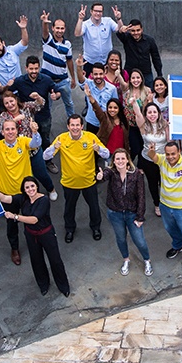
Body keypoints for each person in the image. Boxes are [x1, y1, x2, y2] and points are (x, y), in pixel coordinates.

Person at [0, 177, 71, 296]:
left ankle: (63, 286)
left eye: (32, 186)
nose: (30, 189)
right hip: (31, 235)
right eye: (27, 187)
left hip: (46, 234)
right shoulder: (23, 198)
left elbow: (34, 219)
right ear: (24, 190)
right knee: (36, 261)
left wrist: (14, 216)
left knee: (55, 260)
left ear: (36, 186)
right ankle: (43, 285)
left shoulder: (44, 200)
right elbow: (5, 198)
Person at [0, 117, 42, 265]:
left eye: (13, 129)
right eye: (7, 129)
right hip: (7, 194)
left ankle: (36, 242)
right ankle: (14, 248)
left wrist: (35, 132)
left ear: (17, 131)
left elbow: (36, 143)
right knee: (12, 223)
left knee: (32, 219)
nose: (10, 132)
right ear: (2, 132)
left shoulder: (23, 142)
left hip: (27, 192)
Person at [44, 115, 110, 244]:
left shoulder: (90, 137)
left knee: (94, 207)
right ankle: (70, 229)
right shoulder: (61, 138)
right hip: (69, 183)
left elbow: (106, 154)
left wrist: (99, 149)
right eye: (72, 125)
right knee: (69, 208)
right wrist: (53, 147)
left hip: (88, 181)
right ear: (68, 126)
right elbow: (45, 156)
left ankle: (95, 227)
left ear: (82, 126)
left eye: (77, 125)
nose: (75, 128)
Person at [97, 148, 153, 276]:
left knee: (139, 240)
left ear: (127, 160)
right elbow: (104, 175)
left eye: (123, 158)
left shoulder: (136, 174)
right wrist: (100, 176)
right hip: (115, 213)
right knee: (121, 238)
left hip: (132, 213)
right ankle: (126, 260)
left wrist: (140, 217)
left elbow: (141, 196)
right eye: (117, 159)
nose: (120, 161)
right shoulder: (111, 172)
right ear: (114, 161)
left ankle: (147, 260)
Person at [149, 141, 182, 272]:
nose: (170, 157)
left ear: (179, 152)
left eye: (173, 154)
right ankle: (178, 245)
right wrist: (151, 150)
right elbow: (152, 156)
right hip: (166, 205)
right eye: (168, 154)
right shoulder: (162, 161)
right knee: (170, 228)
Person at [0, 90, 56, 198]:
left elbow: (40, 104)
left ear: (16, 100)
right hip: (18, 154)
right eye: (6, 103)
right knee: (24, 178)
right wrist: (14, 121)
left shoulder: (26, 107)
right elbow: (2, 131)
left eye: (11, 101)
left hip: (33, 150)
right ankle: (28, 195)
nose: (10, 105)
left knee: (41, 173)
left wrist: (37, 97)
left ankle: (51, 189)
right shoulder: (3, 116)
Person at [11, 55, 59, 149]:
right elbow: (9, 92)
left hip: (44, 116)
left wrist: (55, 96)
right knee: (28, 140)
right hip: (27, 118)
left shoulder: (46, 80)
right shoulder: (19, 81)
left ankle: (47, 161)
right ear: (26, 68)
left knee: (45, 139)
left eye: (36, 68)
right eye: (31, 69)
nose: (34, 71)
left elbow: (57, 92)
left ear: (39, 67)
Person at [134, 102, 169, 217]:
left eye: (154, 112)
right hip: (148, 160)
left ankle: (167, 202)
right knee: (152, 183)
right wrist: (134, 102)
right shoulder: (143, 125)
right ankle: (157, 204)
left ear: (159, 113)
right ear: (146, 114)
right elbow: (138, 114)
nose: (152, 115)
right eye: (149, 112)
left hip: (163, 160)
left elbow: (169, 142)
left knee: (164, 182)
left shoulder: (166, 125)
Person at [39, 10, 76, 118]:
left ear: (64, 29)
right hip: (47, 80)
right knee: (46, 106)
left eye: (62, 28)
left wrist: (73, 78)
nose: (60, 30)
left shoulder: (67, 44)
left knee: (69, 103)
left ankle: (73, 123)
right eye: (57, 28)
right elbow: (45, 33)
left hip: (63, 80)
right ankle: (46, 127)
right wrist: (45, 22)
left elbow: (69, 61)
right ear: (53, 28)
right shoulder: (48, 41)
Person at [75, 59, 119, 135]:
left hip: (106, 123)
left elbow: (116, 105)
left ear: (105, 74)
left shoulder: (112, 89)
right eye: (95, 74)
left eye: (100, 74)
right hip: (91, 122)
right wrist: (79, 67)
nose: (98, 76)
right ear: (91, 75)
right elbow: (81, 79)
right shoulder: (88, 84)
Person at [75, 3, 121, 73]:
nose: (98, 13)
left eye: (100, 11)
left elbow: (120, 30)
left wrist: (118, 19)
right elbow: (77, 33)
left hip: (106, 61)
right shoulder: (85, 24)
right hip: (90, 62)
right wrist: (80, 19)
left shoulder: (108, 21)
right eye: (95, 11)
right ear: (91, 11)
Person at [116, 18, 163, 88]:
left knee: (149, 94)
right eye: (133, 31)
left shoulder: (149, 40)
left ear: (142, 29)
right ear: (129, 31)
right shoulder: (126, 38)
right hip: (129, 73)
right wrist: (120, 27)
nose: (136, 33)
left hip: (146, 73)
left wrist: (159, 74)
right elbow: (119, 34)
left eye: (138, 30)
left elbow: (156, 58)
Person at [87, 93, 129, 162]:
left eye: (115, 108)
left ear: (119, 109)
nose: (112, 110)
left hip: (121, 153)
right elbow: (97, 108)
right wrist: (89, 96)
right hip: (108, 153)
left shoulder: (124, 120)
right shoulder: (104, 118)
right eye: (110, 107)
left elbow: (126, 138)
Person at [119, 69, 150, 159]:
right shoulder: (127, 92)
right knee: (135, 147)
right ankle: (128, 162)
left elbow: (147, 109)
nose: (136, 80)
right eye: (133, 78)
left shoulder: (147, 91)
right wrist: (118, 74)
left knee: (142, 146)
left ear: (141, 79)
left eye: (138, 78)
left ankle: (140, 167)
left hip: (143, 125)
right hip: (130, 125)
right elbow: (122, 84)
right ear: (130, 80)